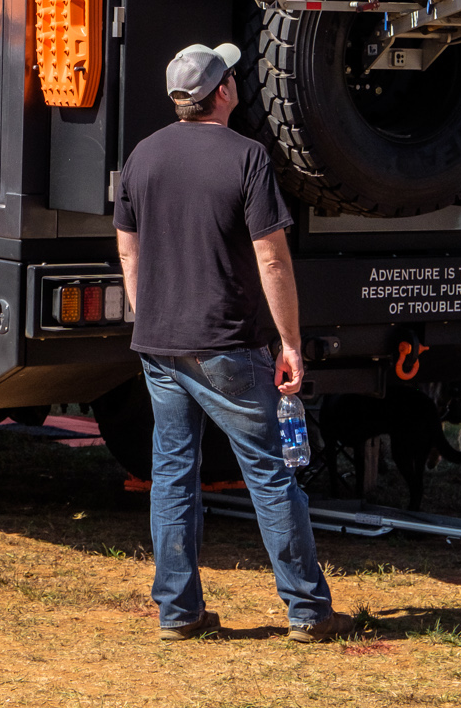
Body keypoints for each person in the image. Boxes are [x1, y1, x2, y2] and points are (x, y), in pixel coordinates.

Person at [115, 42, 353, 644]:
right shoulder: (247, 158)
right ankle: (307, 611)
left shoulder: (142, 156)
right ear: (221, 92)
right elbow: (272, 260)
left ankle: (179, 612)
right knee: (270, 476)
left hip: (161, 347)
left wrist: (151, 315)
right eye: (231, 75)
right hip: (230, 346)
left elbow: (126, 245)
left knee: (172, 475)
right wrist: (290, 342)